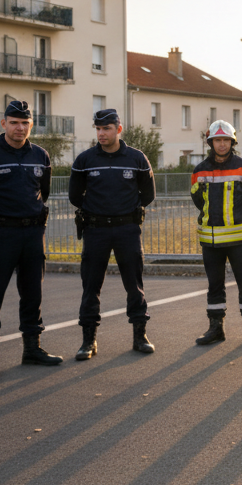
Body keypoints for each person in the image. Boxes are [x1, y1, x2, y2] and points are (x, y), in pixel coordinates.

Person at [0, 100, 62, 377]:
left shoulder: (41, 155)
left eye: (25, 123)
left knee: (33, 292)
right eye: (14, 122)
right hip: (0, 234)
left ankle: (32, 348)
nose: (20, 128)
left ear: (30, 125)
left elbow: (43, 191)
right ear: (3, 123)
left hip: (33, 233)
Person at [68, 108, 156, 359]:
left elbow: (147, 195)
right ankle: (88, 342)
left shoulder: (137, 158)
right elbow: (75, 196)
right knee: (91, 287)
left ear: (118, 129)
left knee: (134, 285)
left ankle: (140, 336)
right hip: (96, 230)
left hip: (127, 229)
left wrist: (125, 209)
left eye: (106, 128)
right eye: (98, 129)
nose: (101, 133)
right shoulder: (85, 160)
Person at [191, 120, 242, 346]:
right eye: (217, 140)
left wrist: (240, 215)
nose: (221, 144)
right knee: (215, 285)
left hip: (239, 239)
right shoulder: (199, 170)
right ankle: (216, 329)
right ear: (210, 142)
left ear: (232, 142)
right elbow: (197, 199)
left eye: (226, 140)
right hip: (210, 241)